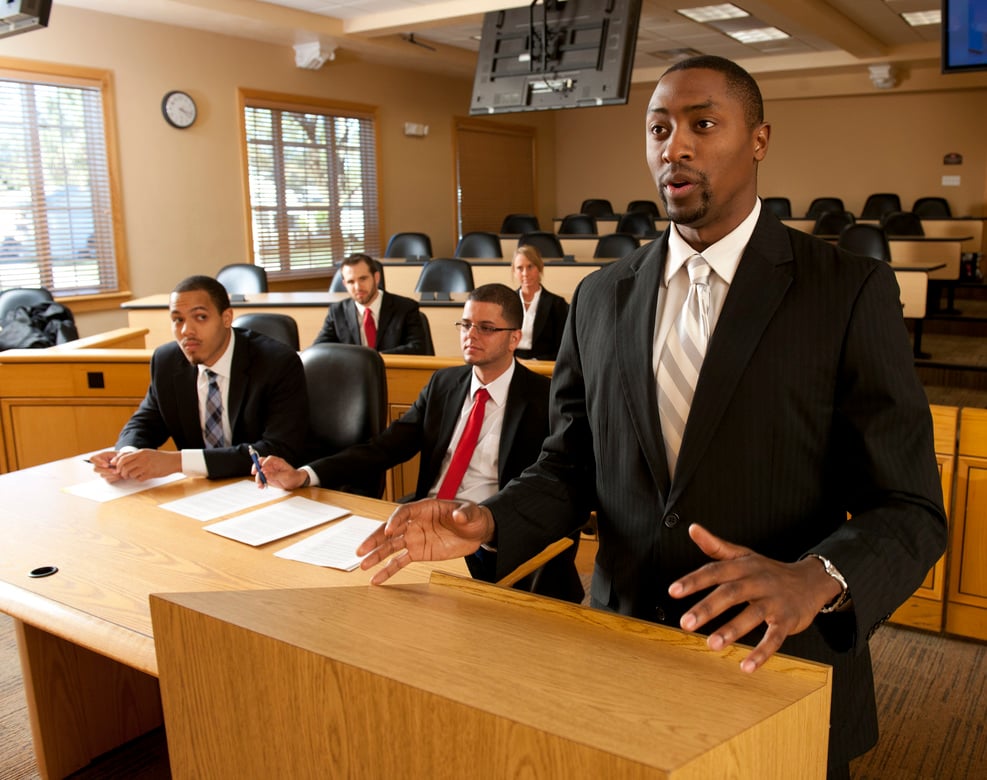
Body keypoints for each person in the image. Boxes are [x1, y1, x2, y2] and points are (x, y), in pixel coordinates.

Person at [356, 56, 947, 777]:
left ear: (757, 140)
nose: (676, 146)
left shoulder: (846, 291)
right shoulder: (601, 299)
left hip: (778, 662)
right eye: (659, 128)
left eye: (703, 124)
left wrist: (817, 576)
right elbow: (570, 464)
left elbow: (910, 507)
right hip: (620, 652)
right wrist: (492, 522)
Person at [261, 283, 584, 604]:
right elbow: (385, 448)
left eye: (486, 328)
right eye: (466, 325)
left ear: (515, 338)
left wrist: (489, 528)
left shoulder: (545, 400)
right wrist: (305, 474)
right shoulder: (443, 384)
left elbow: (553, 490)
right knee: (334, 588)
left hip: (487, 540)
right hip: (423, 524)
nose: (471, 335)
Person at [91, 275, 308, 482]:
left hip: (263, 487)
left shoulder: (277, 362)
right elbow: (145, 422)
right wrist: (126, 456)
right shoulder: (167, 361)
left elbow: (280, 448)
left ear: (226, 318)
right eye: (177, 320)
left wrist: (179, 462)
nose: (186, 330)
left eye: (200, 317)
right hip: (200, 492)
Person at [313, 253, 427, 353]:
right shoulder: (337, 311)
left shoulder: (406, 307)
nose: (357, 287)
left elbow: (418, 348)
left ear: (376, 278)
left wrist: (375, 359)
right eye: (351, 282)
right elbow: (319, 349)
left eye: (363, 279)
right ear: (344, 284)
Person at [511, 244, 569, 361]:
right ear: (514, 271)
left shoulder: (557, 305)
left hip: (544, 365)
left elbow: (563, 348)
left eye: (530, 266)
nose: (525, 273)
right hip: (511, 364)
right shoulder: (506, 302)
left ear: (540, 267)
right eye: (520, 268)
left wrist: (536, 362)